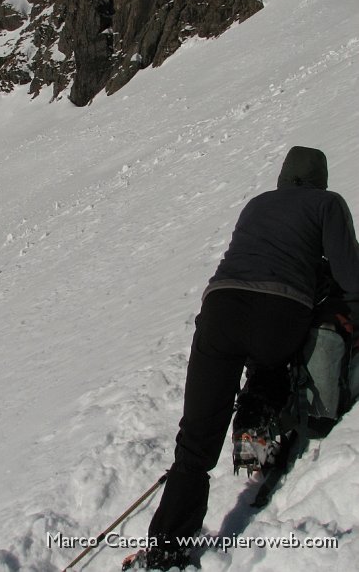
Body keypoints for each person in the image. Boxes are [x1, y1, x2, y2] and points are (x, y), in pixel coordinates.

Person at [125, 146, 359, 571]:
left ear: (284, 176)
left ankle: (166, 549)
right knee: (273, 356)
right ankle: (256, 426)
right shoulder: (328, 203)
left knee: (196, 439)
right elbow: (350, 275)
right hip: (280, 312)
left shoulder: (257, 204)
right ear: (321, 177)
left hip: (221, 307)